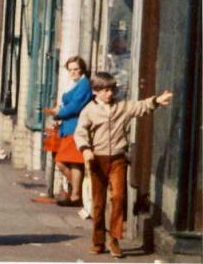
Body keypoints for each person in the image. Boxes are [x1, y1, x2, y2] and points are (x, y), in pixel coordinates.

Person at [73, 72, 173, 258]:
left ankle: (115, 240)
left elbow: (140, 107)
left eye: (111, 89)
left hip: (118, 158)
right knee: (98, 202)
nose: (109, 94)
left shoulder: (122, 106)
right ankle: (98, 240)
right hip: (97, 159)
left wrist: (157, 100)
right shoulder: (89, 110)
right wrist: (85, 149)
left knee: (118, 197)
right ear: (95, 92)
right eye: (104, 90)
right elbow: (80, 132)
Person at [49, 56, 93, 206]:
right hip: (68, 127)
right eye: (70, 70)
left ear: (82, 69)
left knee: (65, 162)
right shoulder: (75, 83)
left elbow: (75, 105)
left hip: (76, 128)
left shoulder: (84, 84)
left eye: (76, 69)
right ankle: (76, 193)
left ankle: (76, 194)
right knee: (70, 162)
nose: (73, 72)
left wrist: (59, 112)